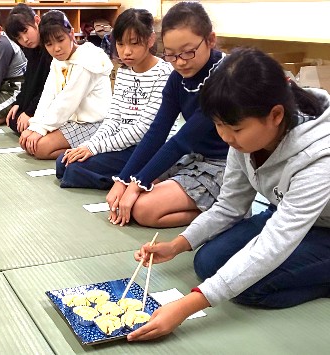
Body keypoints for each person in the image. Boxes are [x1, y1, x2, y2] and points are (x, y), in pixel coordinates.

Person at [127, 47, 330, 342]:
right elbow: (230, 205)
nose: (225, 137)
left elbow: (276, 242)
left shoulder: (320, 156)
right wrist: (177, 245)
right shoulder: (244, 139)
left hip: (323, 227)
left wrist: (187, 305)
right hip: (286, 212)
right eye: (218, 125)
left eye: (234, 128)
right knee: (207, 263)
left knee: (250, 288)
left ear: (275, 115)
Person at [106, 2, 229, 228]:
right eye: (171, 55)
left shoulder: (224, 75)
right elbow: (157, 132)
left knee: (142, 209)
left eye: (188, 52)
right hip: (193, 158)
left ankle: (227, 212)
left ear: (210, 40)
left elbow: (184, 139)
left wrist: (136, 184)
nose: (180, 61)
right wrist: (123, 180)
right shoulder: (177, 78)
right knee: (133, 189)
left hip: (224, 166)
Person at [55, 8, 173, 190]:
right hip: (122, 145)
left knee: (74, 169)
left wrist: (96, 149)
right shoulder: (124, 71)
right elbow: (113, 119)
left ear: (150, 40)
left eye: (134, 43)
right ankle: (130, 179)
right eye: (120, 44)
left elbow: (143, 130)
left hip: (148, 148)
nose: (126, 52)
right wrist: (90, 145)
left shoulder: (165, 73)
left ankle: (138, 181)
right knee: (63, 162)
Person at [19, 10, 113, 160]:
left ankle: (93, 151)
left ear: (71, 34)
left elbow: (68, 100)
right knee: (27, 140)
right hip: (71, 120)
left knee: (40, 148)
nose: (56, 48)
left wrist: (41, 129)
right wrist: (35, 125)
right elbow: (48, 94)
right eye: (49, 44)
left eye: (60, 39)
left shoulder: (87, 58)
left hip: (93, 123)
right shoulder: (58, 60)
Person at [5, 3, 52, 134]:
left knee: (22, 124)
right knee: (14, 119)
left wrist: (30, 111)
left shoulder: (51, 47)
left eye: (25, 31)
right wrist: (19, 103)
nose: (25, 39)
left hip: (53, 100)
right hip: (40, 99)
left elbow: (50, 87)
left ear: (37, 21)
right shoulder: (30, 49)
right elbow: (29, 80)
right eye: (18, 38)